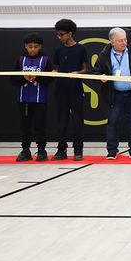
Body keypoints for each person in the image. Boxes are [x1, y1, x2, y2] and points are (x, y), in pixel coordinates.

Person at [92, 28, 131, 160]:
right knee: (112, 123)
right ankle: (112, 150)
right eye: (120, 40)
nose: (124, 42)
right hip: (114, 94)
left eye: (125, 39)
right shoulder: (104, 54)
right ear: (112, 42)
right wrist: (100, 77)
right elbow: (96, 72)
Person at [9, 33, 55, 162]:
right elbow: (12, 80)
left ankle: (41, 150)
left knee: (40, 126)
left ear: (40, 46)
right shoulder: (20, 60)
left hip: (40, 99)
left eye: (35, 46)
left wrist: (37, 77)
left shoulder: (45, 60)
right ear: (26, 46)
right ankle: (25, 150)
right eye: (30, 47)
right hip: (23, 99)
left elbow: (50, 79)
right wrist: (23, 78)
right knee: (24, 126)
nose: (33, 49)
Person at [53, 19, 89, 161]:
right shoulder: (58, 50)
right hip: (61, 90)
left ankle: (78, 149)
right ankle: (61, 149)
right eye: (58, 35)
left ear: (70, 33)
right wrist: (55, 73)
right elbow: (57, 69)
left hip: (76, 90)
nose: (60, 37)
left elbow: (85, 69)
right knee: (62, 121)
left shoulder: (81, 49)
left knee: (77, 121)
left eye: (62, 34)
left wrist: (77, 74)